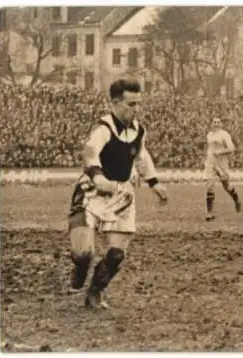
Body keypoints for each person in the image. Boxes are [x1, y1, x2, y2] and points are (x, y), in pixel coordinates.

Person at [67, 79, 168, 309]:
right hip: (93, 191)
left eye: (138, 104)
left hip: (121, 194)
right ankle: (80, 267)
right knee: (84, 253)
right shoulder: (103, 128)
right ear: (115, 103)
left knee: (116, 254)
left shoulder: (139, 130)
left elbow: (142, 157)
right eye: (131, 104)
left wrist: (154, 183)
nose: (136, 109)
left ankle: (95, 291)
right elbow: (90, 152)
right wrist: (98, 176)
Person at [204, 116, 241, 221]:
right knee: (209, 186)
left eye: (218, 122)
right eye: (214, 122)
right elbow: (210, 149)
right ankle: (209, 213)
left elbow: (231, 148)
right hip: (211, 163)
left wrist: (220, 152)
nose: (216, 124)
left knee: (227, 186)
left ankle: (237, 200)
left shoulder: (224, 135)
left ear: (221, 124)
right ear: (211, 124)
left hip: (222, 164)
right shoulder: (209, 135)